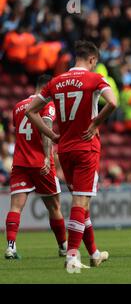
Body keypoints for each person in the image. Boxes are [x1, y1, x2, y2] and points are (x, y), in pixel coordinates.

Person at [25, 40, 117, 269]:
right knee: (80, 201)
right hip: (86, 147)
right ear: (93, 59)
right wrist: (96, 122)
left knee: (81, 203)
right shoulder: (95, 79)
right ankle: (72, 256)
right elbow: (113, 102)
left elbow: (30, 111)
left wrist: (52, 135)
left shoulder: (56, 81)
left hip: (65, 148)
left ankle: (94, 253)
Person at [5, 75, 66, 260]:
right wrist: (47, 156)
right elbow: (46, 126)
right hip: (40, 163)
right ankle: (64, 246)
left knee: (16, 206)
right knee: (54, 207)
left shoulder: (18, 106)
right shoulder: (47, 104)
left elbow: (18, 132)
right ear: (47, 87)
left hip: (20, 163)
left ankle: (10, 247)